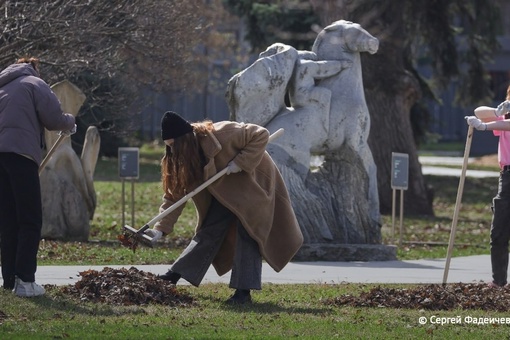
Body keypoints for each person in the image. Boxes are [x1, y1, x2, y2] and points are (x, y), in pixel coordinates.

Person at [144, 111, 303, 304]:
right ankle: (173, 276)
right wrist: (159, 230)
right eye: (168, 146)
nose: (172, 151)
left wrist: (241, 162)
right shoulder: (184, 156)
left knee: (249, 234)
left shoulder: (223, 133)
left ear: (184, 139)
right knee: (208, 231)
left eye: (173, 145)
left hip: (253, 188)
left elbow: (260, 134)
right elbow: (174, 195)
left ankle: (243, 293)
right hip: (225, 193)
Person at [0, 57, 76, 297]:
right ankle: (25, 280)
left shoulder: (2, 86)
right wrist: (70, 122)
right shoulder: (35, 82)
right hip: (22, 156)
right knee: (30, 219)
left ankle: (9, 280)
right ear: (34, 67)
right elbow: (53, 118)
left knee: (9, 220)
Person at [465, 85, 510, 287]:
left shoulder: (503, 124)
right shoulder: (502, 119)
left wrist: (485, 127)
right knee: (499, 231)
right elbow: (478, 112)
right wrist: (496, 113)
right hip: (507, 178)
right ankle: (498, 282)